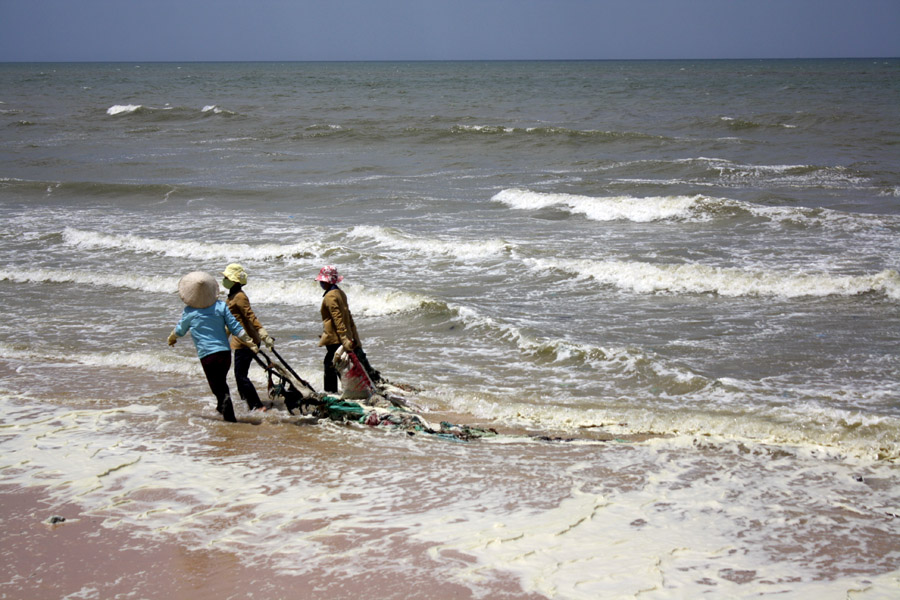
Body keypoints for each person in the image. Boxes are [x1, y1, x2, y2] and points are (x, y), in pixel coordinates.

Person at [167, 271, 258, 422]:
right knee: (221, 383)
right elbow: (235, 327)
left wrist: (172, 338)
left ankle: (230, 421)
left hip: (208, 356)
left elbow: (180, 330)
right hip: (224, 354)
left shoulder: (190, 312)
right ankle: (220, 410)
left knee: (219, 389)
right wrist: (249, 342)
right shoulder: (221, 306)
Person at [316, 265, 381, 393]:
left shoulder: (329, 296)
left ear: (325, 282)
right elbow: (348, 317)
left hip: (336, 339)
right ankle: (356, 389)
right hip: (344, 336)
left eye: (322, 281)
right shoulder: (340, 293)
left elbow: (338, 319)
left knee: (330, 365)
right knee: (341, 366)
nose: (320, 283)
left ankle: (332, 393)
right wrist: (353, 336)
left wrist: (344, 339)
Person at [222, 263, 274, 412]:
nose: (224, 280)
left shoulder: (239, 296)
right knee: (239, 375)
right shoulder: (232, 296)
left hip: (246, 341)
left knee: (240, 375)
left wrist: (263, 334)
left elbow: (250, 316)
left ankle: (258, 406)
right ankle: (247, 403)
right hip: (240, 340)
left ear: (234, 280)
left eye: (226, 277)